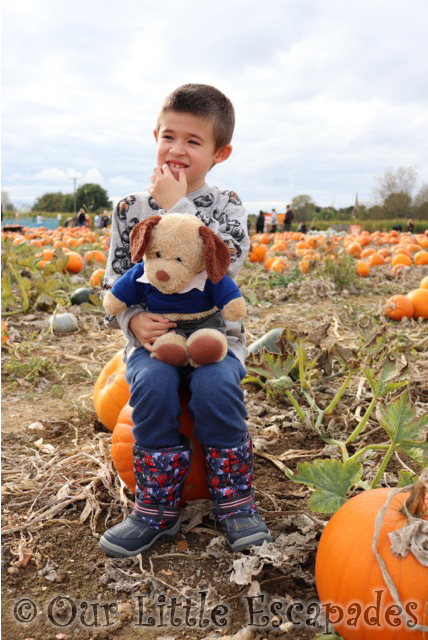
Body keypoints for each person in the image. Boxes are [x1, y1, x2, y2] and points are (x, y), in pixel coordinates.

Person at [99, 83, 272, 557]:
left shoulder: (229, 206)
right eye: (169, 136)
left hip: (215, 337)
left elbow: (225, 265)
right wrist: (132, 322)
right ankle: (156, 509)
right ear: (155, 134)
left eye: (194, 142)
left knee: (215, 388)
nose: (177, 149)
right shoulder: (128, 209)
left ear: (221, 152)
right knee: (152, 386)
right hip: (154, 342)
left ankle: (234, 502)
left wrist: (175, 206)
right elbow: (113, 281)